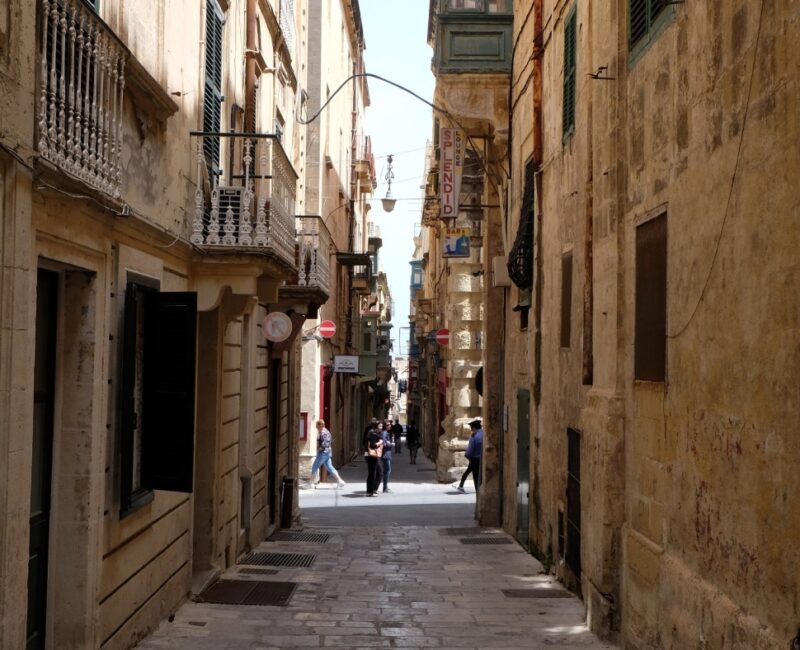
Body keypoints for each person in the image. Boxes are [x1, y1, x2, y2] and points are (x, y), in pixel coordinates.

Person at [311, 419, 346, 488]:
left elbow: (324, 443)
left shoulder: (323, 433)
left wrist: (320, 448)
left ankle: (311, 483)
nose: (316, 427)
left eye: (317, 426)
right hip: (328, 452)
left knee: (315, 466)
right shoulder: (326, 431)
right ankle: (340, 481)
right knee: (330, 467)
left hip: (323, 453)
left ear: (320, 425)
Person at [457, 419, 483, 493]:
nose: (471, 430)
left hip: (474, 459)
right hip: (483, 459)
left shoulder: (474, 436)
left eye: (471, 428)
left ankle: (477, 491)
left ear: (474, 428)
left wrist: (467, 455)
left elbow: (470, 449)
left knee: (475, 476)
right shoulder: (485, 434)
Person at [364, 425, 384, 497]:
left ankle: (371, 490)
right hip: (372, 456)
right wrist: (380, 442)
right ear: (376, 428)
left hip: (370, 456)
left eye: (382, 426)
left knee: (373, 473)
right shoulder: (373, 434)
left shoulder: (375, 434)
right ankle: (371, 491)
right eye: (380, 426)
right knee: (374, 473)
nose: (381, 428)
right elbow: (372, 445)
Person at [379, 424, 394, 493]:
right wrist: (389, 444)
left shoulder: (385, 432)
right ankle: (385, 488)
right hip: (385, 454)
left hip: (386, 454)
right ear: (386, 426)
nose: (390, 426)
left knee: (387, 470)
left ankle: (385, 487)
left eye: (390, 425)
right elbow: (383, 443)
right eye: (388, 425)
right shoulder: (384, 433)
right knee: (387, 470)